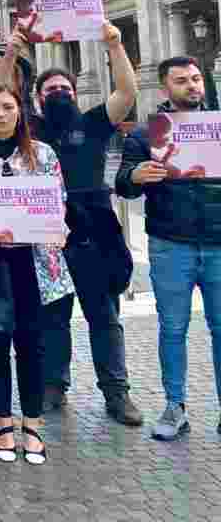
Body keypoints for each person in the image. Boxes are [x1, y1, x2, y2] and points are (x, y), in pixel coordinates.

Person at [0, 21, 143, 425]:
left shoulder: (92, 123)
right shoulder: (30, 128)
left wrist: (114, 45)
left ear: (74, 95)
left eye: (64, 89)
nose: (58, 93)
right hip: (45, 235)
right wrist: (9, 54)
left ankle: (117, 392)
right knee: (52, 318)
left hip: (94, 230)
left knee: (105, 316)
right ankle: (54, 385)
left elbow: (127, 93)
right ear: (38, 100)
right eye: (50, 90)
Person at [0, 84, 74, 465]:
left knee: (32, 345)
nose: (1, 115)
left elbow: (59, 201)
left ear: (19, 113)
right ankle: (4, 422)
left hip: (34, 263)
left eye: (8, 107)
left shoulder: (43, 154)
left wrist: (56, 223)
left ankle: (33, 423)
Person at [116, 56, 221, 441]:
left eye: (196, 78)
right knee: (173, 328)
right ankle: (174, 407)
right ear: (166, 89)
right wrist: (135, 175)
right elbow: (123, 183)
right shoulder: (145, 135)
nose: (193, 86)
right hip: (169, 243)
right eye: (182, 81)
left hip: (219, 243)